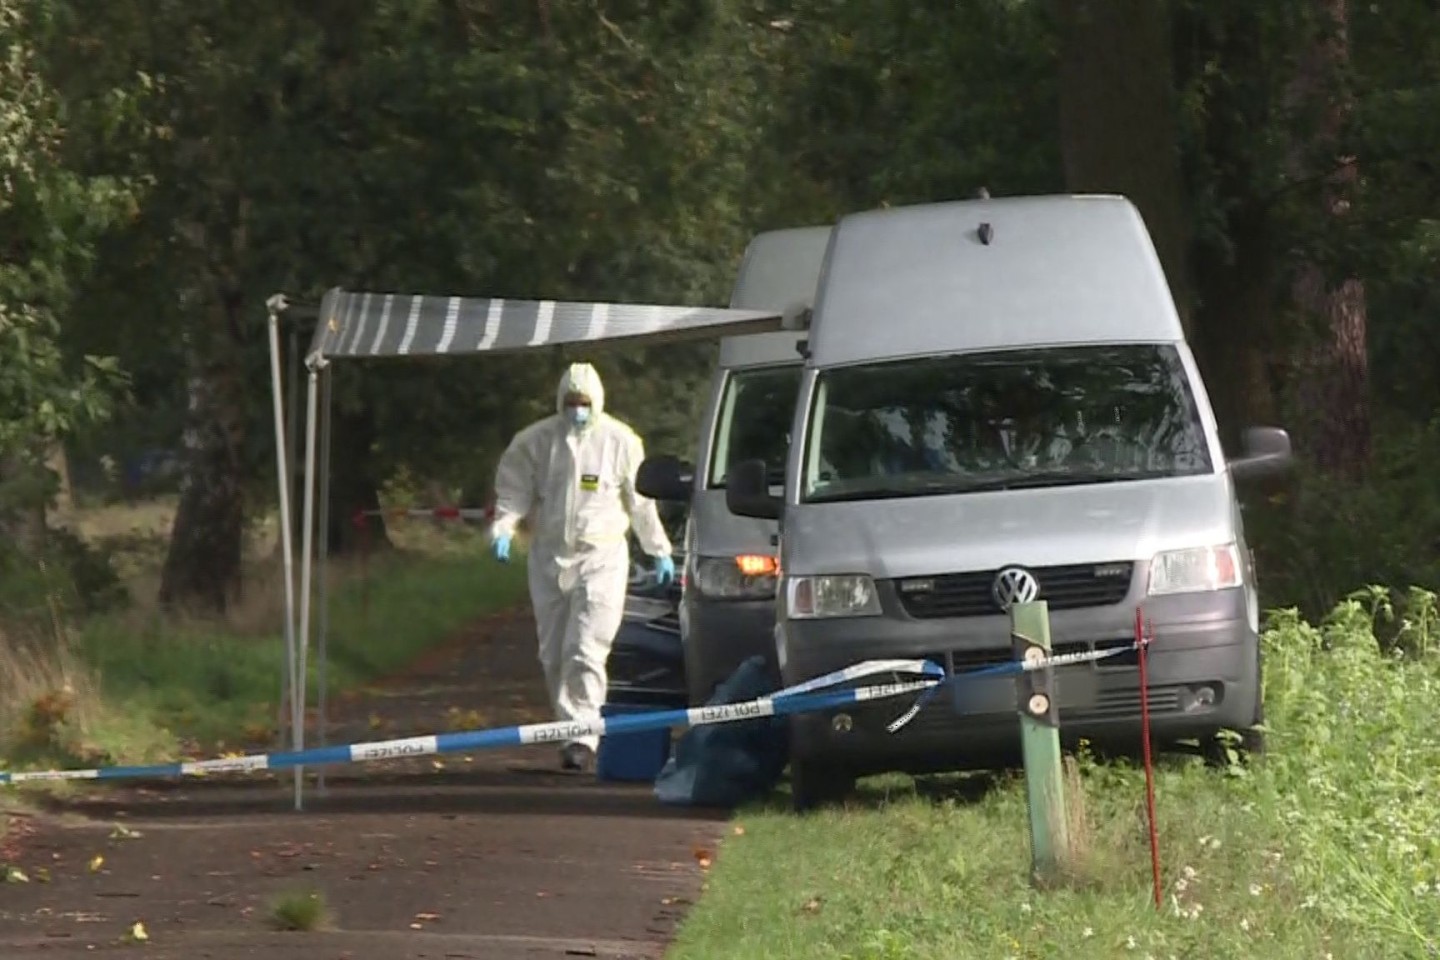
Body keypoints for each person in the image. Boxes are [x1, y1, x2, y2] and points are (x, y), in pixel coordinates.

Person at [489, 362, 675, 772]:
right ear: (560, 402)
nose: (578, 410)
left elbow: (640, 503)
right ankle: (568, 729)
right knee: (553, 654)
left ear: (598, 402)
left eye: (584, 403)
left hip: (601, 556)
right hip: (549, 556)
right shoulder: (535, 442)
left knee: (585, 648)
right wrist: (503, 528)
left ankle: (583, 737)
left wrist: (658, 549)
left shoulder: (620, 442)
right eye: (571, 402)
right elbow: (514, 491)